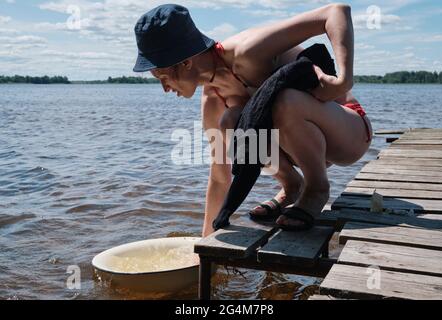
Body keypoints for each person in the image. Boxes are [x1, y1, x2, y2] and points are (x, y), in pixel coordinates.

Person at [133, 3, 373, 237]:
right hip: (305, 149)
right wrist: (205, 244)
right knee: (231, 120)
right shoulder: (214, 100)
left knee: (284, 100)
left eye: (162, 77)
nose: (164, 88)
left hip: (348, 133)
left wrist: (344, 80)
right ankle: (292, 186)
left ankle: (316, 189)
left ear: (185, 63)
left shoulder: (247, 51)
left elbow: (335, 12)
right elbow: (219, 178)